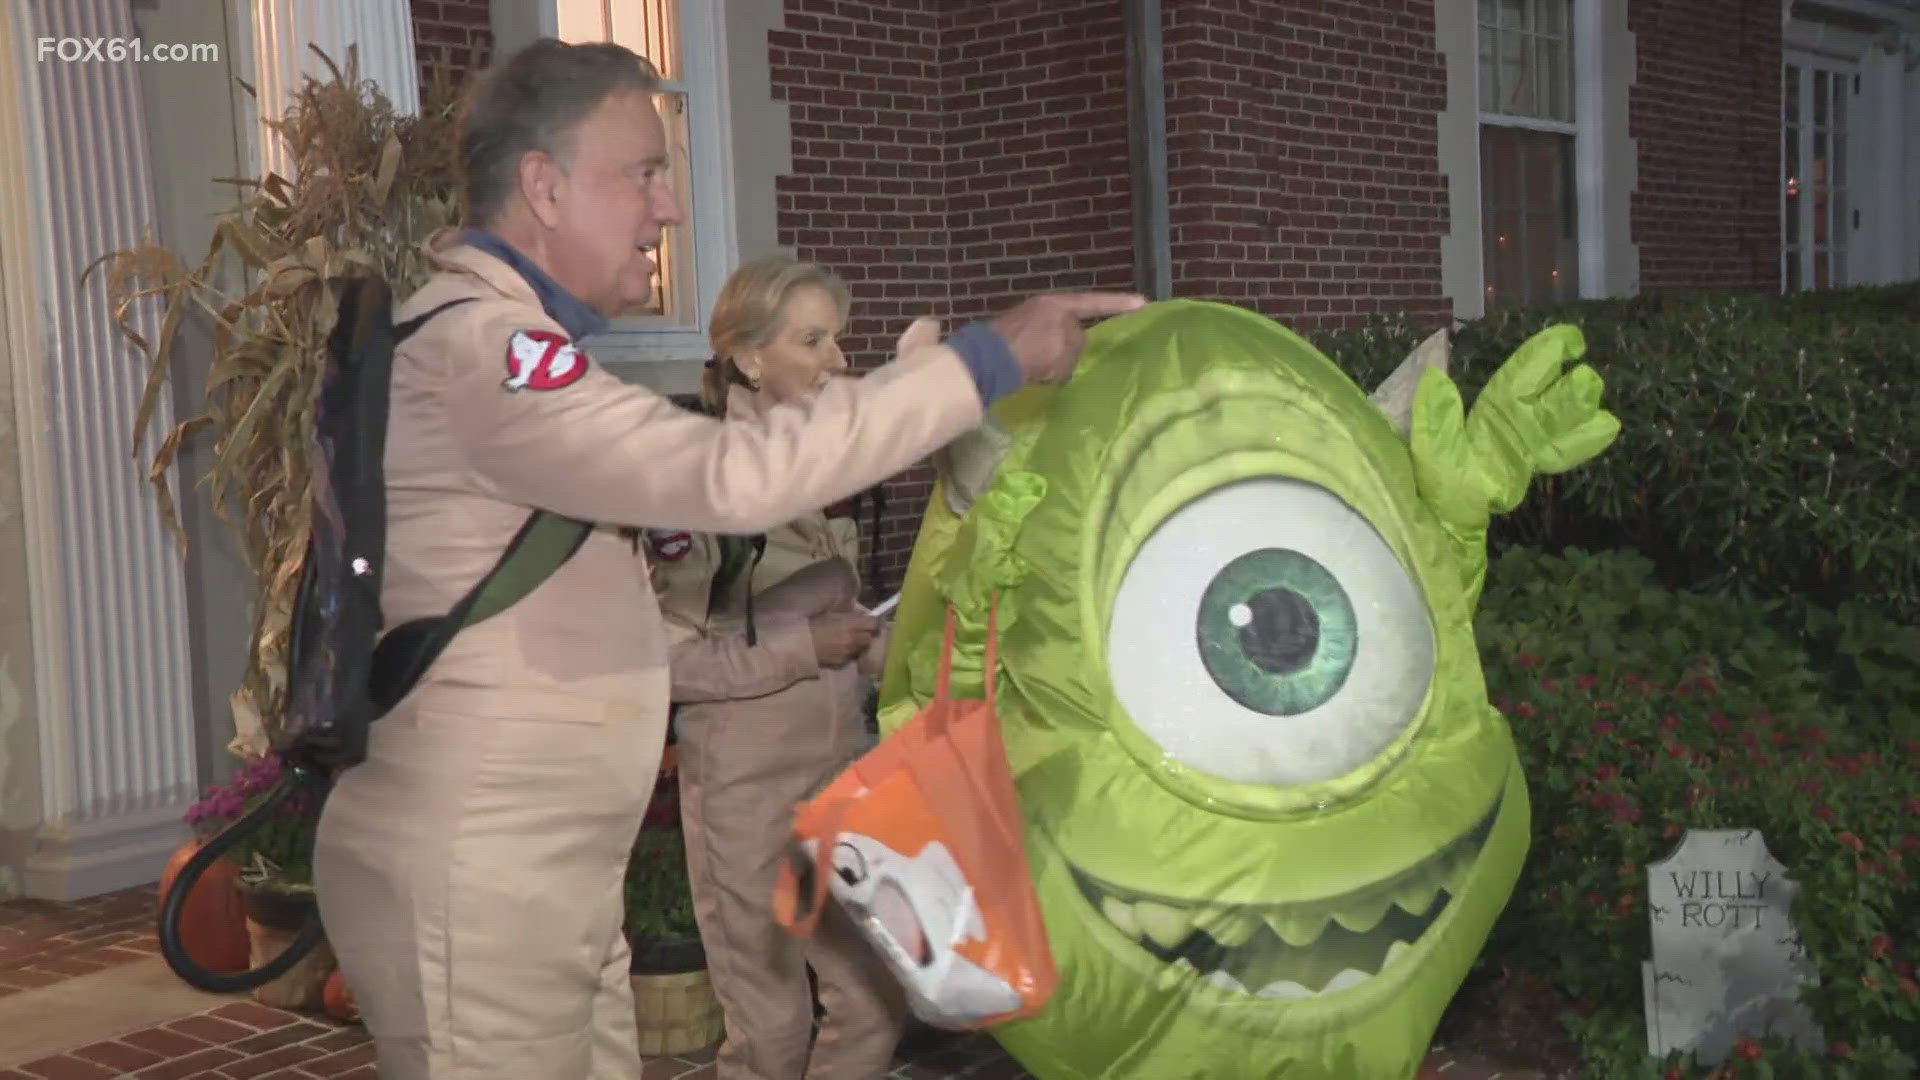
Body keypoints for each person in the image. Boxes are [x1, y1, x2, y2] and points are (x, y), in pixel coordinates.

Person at [308, 37, 1143, 1080]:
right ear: (543, 185)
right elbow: (729, 477)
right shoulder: (490, 351)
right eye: (644, 174)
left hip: (532, 877)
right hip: (481, 877)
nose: (667, 208)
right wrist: (988, 363)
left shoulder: (502, 345)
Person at [651, 257, 907, 1080]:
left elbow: (842, 628)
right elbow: (666, 662)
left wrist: (891, 652)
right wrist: (806, 648)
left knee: (871, 1004)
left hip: (839, 776)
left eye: (837, 338)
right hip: (745, 785)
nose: (838, 360)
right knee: (769, 1032)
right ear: (751, 359)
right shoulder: (700, 485)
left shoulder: (822, 476)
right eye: (812, 340)